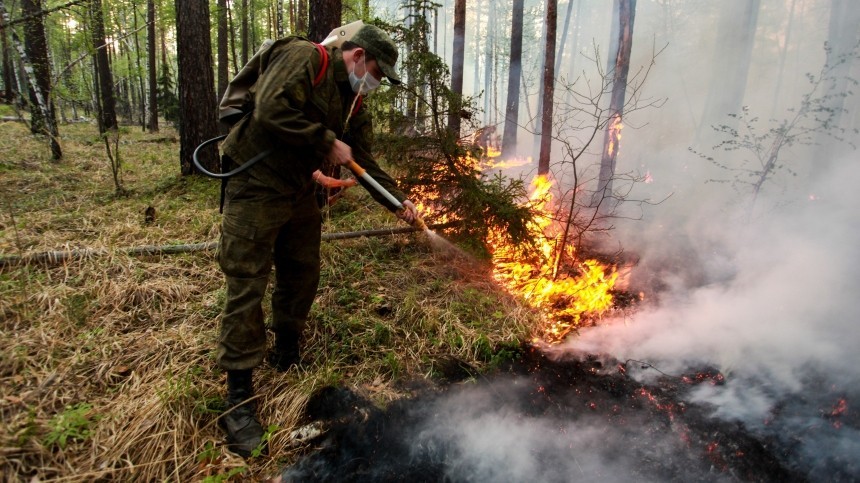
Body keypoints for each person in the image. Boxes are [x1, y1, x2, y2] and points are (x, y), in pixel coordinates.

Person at [215, 25, 418, 457]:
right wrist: (326, 142)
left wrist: (398, 201)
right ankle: (239, 400)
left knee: (302, 269)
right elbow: (271, 108)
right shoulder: (306, 58)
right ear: (359, 55)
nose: (376, 83)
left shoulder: (354, 100)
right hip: (256, 182)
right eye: (377, 72)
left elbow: (360, 156)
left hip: (298, 188)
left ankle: (286, 350)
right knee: (247, 281)